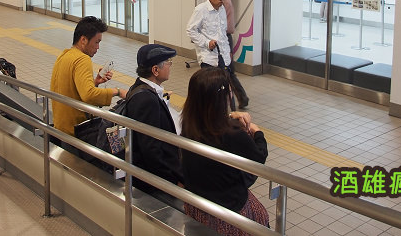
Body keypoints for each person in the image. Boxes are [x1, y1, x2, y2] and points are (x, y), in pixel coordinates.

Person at [181, 67, 269, 235]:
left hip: (197, 206)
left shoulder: (188, 125)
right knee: (261, 218)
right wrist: (257, 132)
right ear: (224, 98)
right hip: (228, 211)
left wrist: (229, 117)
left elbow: (210, 120)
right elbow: (258, 158)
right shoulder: (232, 135)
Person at [124, 43, 184, 203]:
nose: (170, 66)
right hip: (154, 184)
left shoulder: (139, 87)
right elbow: (151, 149)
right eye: (168, 62)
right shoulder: (146, 99)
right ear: (155, 70)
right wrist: (172, 182)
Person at [50, 16, 127, 138]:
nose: (98, 47)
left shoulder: (65, 55)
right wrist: (117, 91)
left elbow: (72, 89)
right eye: (96, 42)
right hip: (76, 130)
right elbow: (88, 95)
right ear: (83, 40)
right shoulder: (82, 59)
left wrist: (95, 82)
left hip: (61, 126)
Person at [187, 0, 249, 108]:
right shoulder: (201, 10)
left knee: (225, 91)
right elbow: (191, 30)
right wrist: (206, 42)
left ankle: (225, 113)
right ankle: (207, 115)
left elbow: (223, 34)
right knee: (210, 91)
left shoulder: (222, 9)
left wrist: (228, 52)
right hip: (208, 58)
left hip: (223, 58)